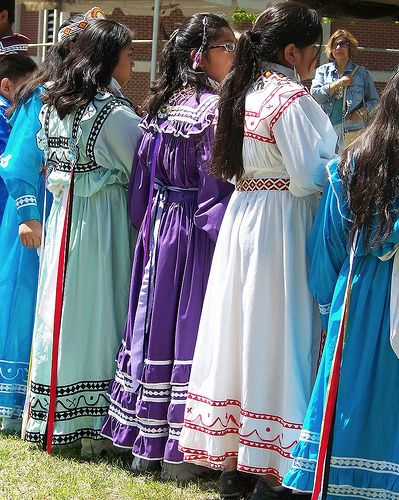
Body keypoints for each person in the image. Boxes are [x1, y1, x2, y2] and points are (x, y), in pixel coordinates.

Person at [178, 3, 337, 499]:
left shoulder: (240, 91)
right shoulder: (288, 98)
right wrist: (345, 163)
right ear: (292, 52)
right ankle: (273, 466)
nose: (314, 64)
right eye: (313, 54)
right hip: (281, 223)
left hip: (245, 217)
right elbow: (311, 175)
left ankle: (237, 464)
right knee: (278, 332)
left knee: (242, 333)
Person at [101, 12, 235, 480]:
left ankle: (144, 441)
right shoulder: (214, 111)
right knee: (186, 327)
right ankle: (179, 450)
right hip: (195, 230)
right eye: (228, 48)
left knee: (152, 322)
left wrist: (151, 221)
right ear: (203, 56)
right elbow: (216, 184)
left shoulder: (162, 107)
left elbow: (142, 182)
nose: (234, 58)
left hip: (160, 226)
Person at [22, 19, 142, 456]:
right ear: (110, 58)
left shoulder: (56, 105)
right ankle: (93, 423)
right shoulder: (111, 112)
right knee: (97, 310)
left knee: (64, 310)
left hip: (65, 219)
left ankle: (56, 413)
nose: (133, 62)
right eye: (128, 54)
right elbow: (141, 167)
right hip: (101, 222)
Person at [283, 68, 399, 500]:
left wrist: (330, 314)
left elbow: (326, 253)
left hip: (358, 297)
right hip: (369, 294)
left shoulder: (349, 166)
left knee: (352, 395)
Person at [0, 11, 103, 434]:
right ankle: (12, 400)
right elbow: (17, 162)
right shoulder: (43, 94)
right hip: (34, 216)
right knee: (22, 299)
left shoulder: (72, 94)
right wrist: (28, 215)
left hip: (62, 211)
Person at [311, 29, 379, 153]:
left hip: (352, 130)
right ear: (331, 49)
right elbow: (315, 96)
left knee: (348, 166)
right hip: (326, 129)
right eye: (334, 44)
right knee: (326, 166)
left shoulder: (361, 73)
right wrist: (338, 83)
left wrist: (361, 113)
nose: (338, 47)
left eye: (343, 44)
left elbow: (375, 101)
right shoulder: (322, 71)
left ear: (350, 47)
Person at [0, 53, 36, 222]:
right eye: (27, 89)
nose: (33, 96)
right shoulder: (5, 117)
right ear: (6, 86)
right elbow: (14, 159)